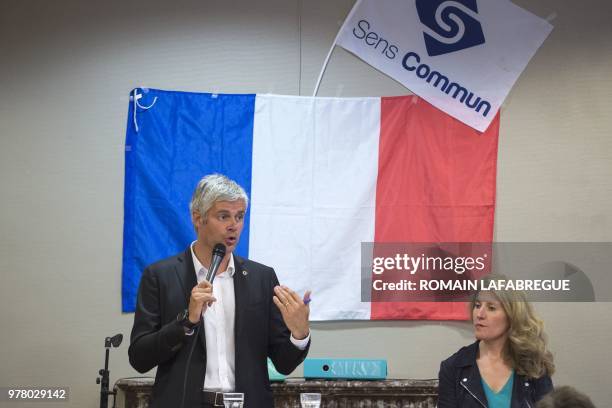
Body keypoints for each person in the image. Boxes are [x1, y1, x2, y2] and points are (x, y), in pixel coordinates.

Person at [128, 174, 311, 408]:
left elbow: (284, 363)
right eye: (223, 216)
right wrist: (187, 321)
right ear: (198, 218)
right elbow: (139, 358)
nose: (233, 225)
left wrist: (299, 333)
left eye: (239, 216)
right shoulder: (160, 276)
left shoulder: (261, 278)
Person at [437, 275, 555, 407]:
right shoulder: (453, 367)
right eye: (477, 305)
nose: (479, 314)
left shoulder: (534, 364)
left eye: (491, 308)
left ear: (512, 315)